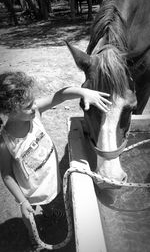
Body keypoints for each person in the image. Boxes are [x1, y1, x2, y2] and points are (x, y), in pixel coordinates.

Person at [0, 71, 111, 249]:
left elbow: (59, 96)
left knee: (52, 200)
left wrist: (83, 92)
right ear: (10, 111)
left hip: (51, 179)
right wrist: (22, 201)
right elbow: (6, 174)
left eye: (33, 102)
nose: (34, 106)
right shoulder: (5, 142)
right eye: (28, 106)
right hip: (31, 191)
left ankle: (50, 213)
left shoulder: (34, 114)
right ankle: (33, 236)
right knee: (30, 214)